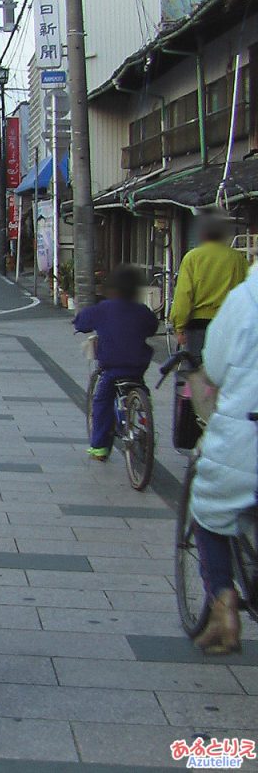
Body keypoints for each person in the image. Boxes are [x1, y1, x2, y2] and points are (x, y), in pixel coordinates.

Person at [186, 270, 258, 655]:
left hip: (246, 438)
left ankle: (224, 601)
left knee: (209, 511)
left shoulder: (245, 299)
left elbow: (212, 366)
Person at [73, 265, 159, 460]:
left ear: (112, 289)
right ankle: (143, 413)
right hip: (138, 366)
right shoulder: (142, 310)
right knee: (140, 388)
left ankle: (100, 447)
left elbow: (82, 321)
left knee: (102, 401)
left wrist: (79, 325)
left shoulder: (103, 309)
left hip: (112, 367)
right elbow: (152, 327)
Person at [169, 220, 248, 357]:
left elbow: (184, 295)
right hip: (228, 324)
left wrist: (179, 326)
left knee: (195, 370)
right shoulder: (238, 258)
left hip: (198, 324)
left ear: (203, 235)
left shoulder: (192, 257)